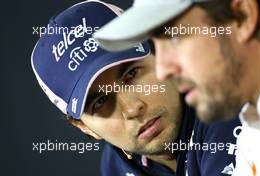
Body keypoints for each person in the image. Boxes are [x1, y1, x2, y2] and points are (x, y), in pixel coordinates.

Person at [31, 1, 241, 175]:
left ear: (158, 53)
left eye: (131, 74)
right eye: (100, 101)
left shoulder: (223, 104)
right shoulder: (116, 165)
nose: (133, 108)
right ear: (84, 127)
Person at [93, 0, 260, 175]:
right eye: (157, 45)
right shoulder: (253, 131)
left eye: (173, 38)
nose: (162, 70)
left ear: (243, 17)